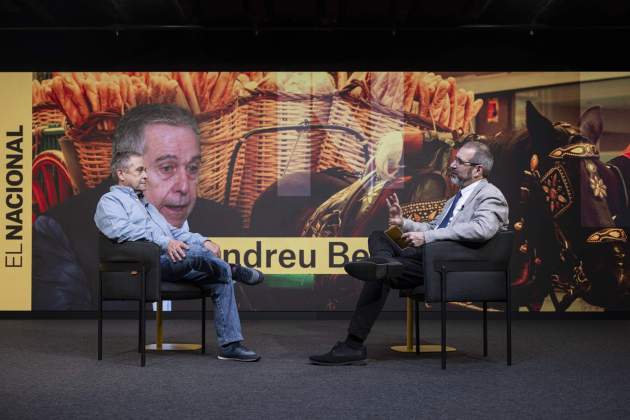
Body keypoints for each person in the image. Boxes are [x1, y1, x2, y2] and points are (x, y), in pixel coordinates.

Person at [309, 140, 509, 365]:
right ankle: (385, 263)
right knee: (380, 236)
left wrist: (427, 237)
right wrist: (402, 222)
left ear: (478, 170)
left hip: (449, 268)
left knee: (380, 275)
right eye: (454, 160)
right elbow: (433, 228)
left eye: (460, 162)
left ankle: (353, 344)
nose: (452, 165)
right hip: (429, 257)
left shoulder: (491, 195)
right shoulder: (456, 198)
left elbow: (482, 229)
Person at [32, 105, 245, 311]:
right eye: (167, 168)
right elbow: (61, 334)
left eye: (192, 168)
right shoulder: (61, 230)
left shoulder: (224, 222)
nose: (184, 186)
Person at [94, 113, 262, 363]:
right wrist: (164, 242)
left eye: (145, 170)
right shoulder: (110, 202)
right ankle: (232, 268)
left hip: (173, 260)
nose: (145, 176)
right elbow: (123, 232)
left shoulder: (147, 205)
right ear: (121, 173)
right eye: (139, 170)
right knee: (198, 258)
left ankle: (230, 345)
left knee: (219, 278)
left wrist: (202, 240)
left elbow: (174, 233)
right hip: (148, 266)